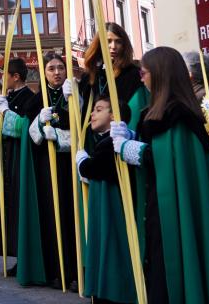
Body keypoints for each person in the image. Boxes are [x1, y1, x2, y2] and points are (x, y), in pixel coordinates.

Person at [111, 47, 209, 303]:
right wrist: (132, 139)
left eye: (144, 72)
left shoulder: (176, 114)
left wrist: (130, 149)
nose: (141, 77)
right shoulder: (164, 112)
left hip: (174, 207)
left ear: (160, 74)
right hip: (159, 202)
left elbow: (167, 160)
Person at [22, 53, 78, 290]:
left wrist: (76, 104)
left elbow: (84, 127)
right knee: (50, 216)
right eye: (51, 69)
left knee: (72, 216)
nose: (57, 72)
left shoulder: (75, 95)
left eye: (60, 68)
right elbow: (30, 136)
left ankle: (76, 272)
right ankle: (54, 271)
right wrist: (37, 122)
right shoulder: (36, 101)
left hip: (71, 166)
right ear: (44, 73)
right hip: (46, 167)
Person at [75, 95, 136, 303]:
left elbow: (98, 169)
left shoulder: (111, 142)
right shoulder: (105, 141)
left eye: (99, 109)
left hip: (113, 212)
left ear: (113, 116)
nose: (92, 114)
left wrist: (83, 163)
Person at [0, 58, 37, 276]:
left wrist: (5, 112)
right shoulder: (7, 97)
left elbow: (22, 128)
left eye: (5, 74)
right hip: (3, 160)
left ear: (15, 77)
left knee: (18, 207)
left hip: (18, 159)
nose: (2, 79)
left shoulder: (30, 99)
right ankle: (11, 251)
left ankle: (23, 256)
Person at [78, 23, 148, 132]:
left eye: (118, 41)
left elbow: (138, 109)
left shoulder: (133, 74)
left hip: (123, 134)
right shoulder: (90, 76)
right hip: (93, 138)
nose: (113, 46)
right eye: (108, 41)